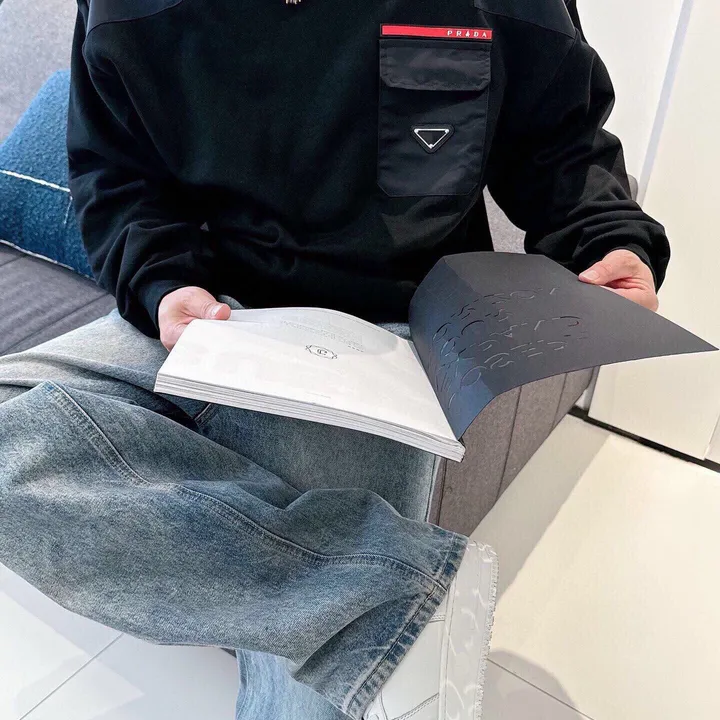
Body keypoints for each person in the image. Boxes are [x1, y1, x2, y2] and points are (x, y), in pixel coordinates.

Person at [0, 1, 670, 719]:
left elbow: (558, 145)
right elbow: (116, 172)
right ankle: (399, 600)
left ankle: (380, 614)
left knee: (306, 703)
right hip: (201, 316)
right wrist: (161, 283)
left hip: (380, 335)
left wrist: (606, 239)